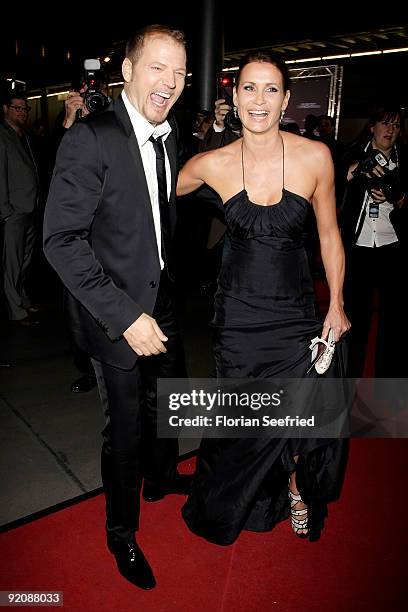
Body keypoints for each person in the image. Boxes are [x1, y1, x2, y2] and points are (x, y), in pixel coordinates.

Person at [177, 51, 350, 545]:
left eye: (271, 89)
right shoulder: (211, 163)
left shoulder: (314, 157)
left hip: (295, 315)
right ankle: (235, 502)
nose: (259, 99)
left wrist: (336, 302)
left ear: (287, 99)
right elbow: (149, 189)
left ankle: (297, 484)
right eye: (249, 88)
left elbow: (331, 235)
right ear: (234, 97)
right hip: (236, 318)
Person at [43, 25, 191, 590]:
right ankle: (121, 533)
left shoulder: (168, 136)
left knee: (167, 403)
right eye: (157, 67)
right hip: (116, 316)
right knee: (123, 428)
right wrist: (126, 316)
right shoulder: (92, 138)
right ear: (126, 71)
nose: (169, 82)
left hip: (164, 303)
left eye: (179, 72)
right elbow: (61, 240)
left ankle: (160, 478)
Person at [340, 104, 408, 377]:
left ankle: (386, 381)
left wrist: (398, 198)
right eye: (385, 123)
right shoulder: (353, 155)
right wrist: (357, 169)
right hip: (360, 248)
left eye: (395, 125)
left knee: (394, 321)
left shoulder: (404, 160)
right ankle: (350, 380)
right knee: (356, 318)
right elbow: (335, 180)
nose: (390, 130)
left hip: (394, 249)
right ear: (372, 126)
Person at [0, 93, 39, 326]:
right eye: (17, 109)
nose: (22, 113)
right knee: (12, 263)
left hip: (30, 206)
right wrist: (5, 210)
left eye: (25, 109)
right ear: (5, 108)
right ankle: (15, 310)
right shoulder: (2, 135)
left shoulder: (23, 135)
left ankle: (22, 299)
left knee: (25, 260)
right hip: (14, 210)